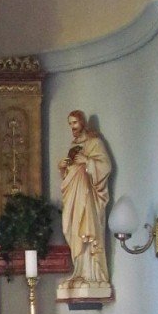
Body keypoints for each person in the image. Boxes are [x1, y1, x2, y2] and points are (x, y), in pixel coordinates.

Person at [58, 109, 113, 297]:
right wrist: (65, 168)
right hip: (74, 196)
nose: (72, 127)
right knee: (71, 227)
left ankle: (92, 274)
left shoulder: (94, 143)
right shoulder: (73, 146)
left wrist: (87, 161)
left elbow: (105, 166)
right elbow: (71, 176)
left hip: (88, 197)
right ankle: (79, 271)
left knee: (86, 229)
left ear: (82, 123)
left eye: (74, 123)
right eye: (70, 124)